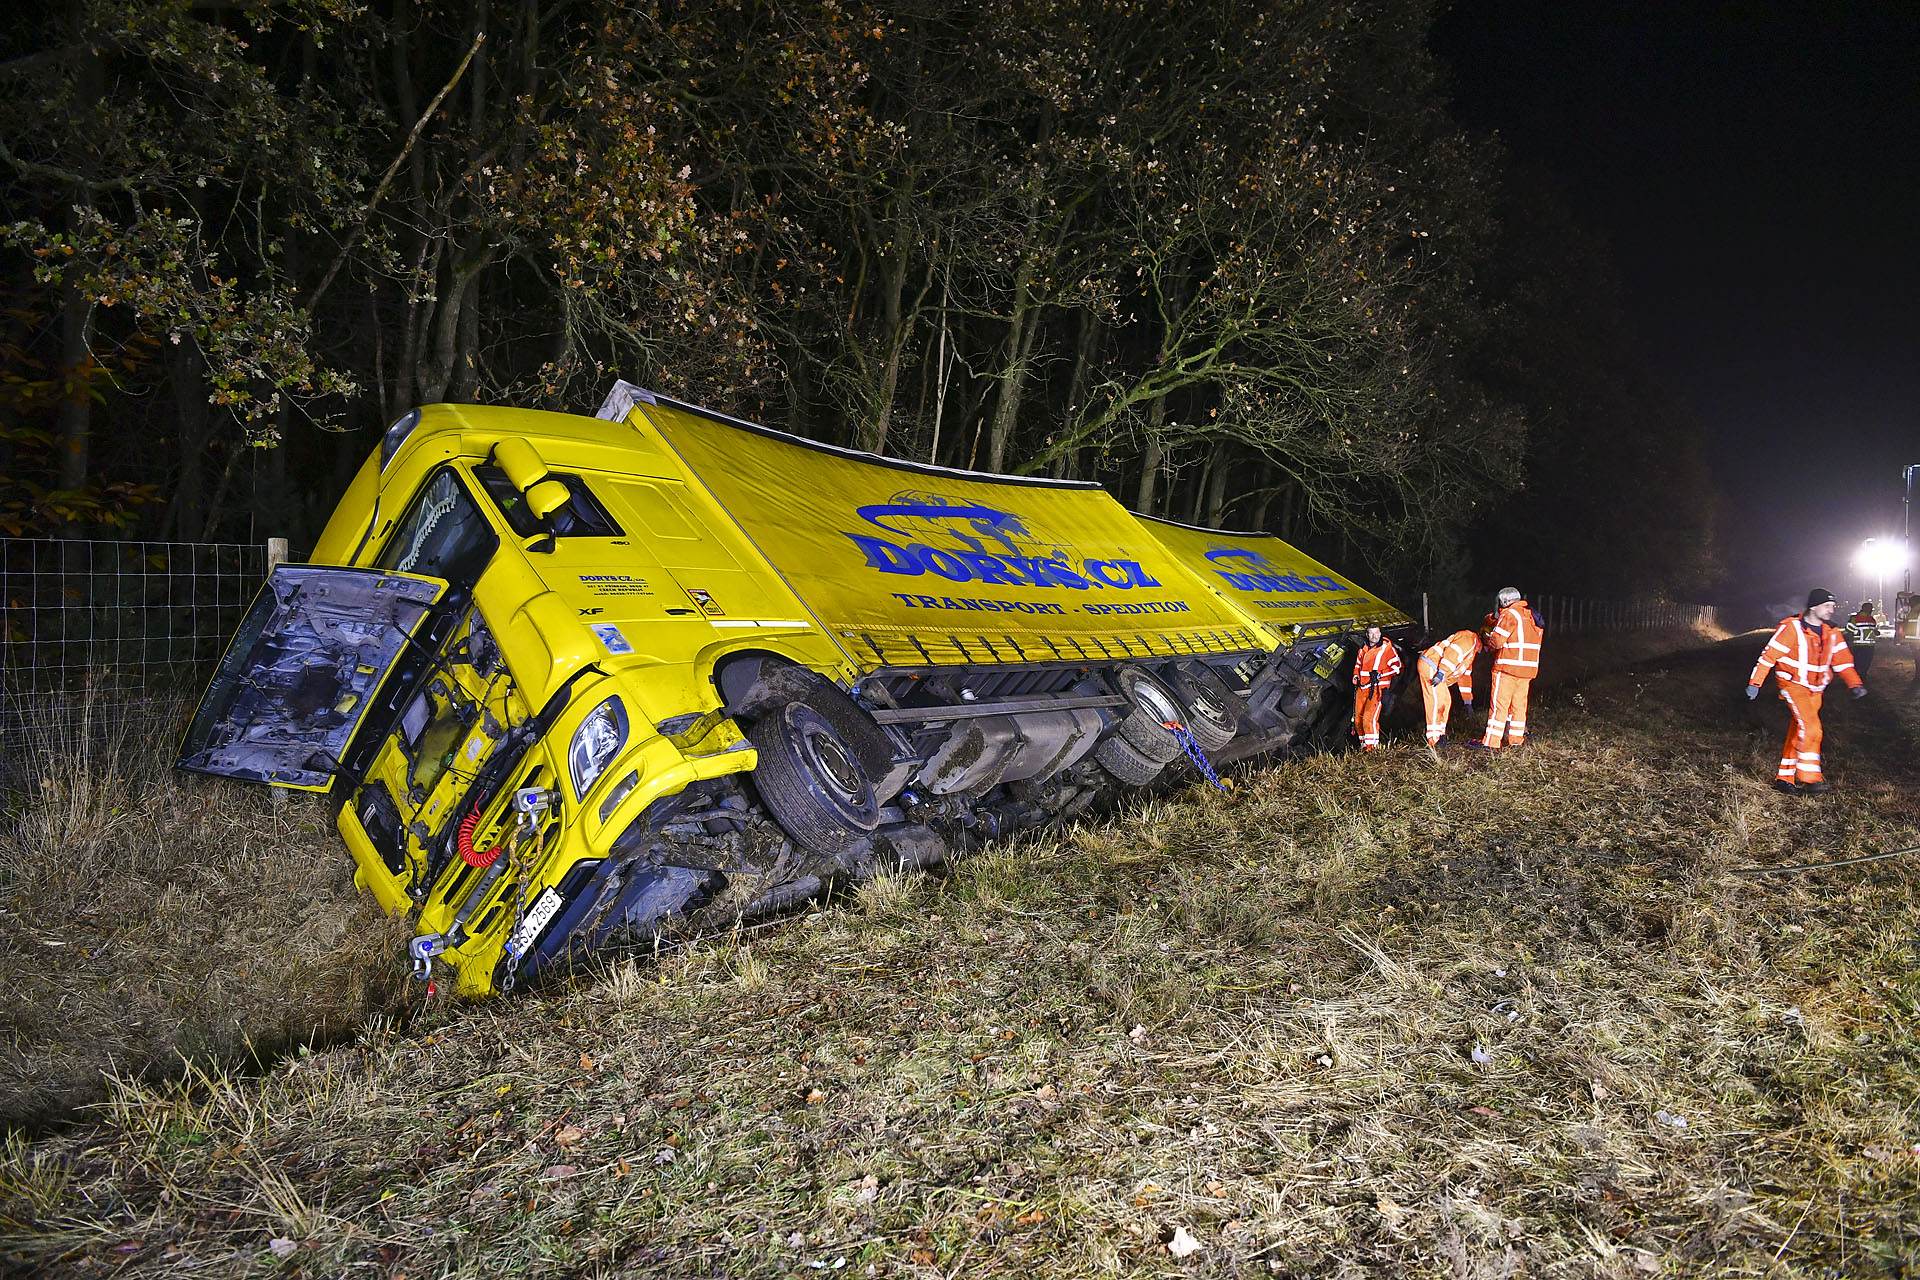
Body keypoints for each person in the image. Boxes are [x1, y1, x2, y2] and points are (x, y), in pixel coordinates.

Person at [1746, 588, 1865, 794]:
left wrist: (1855, 684)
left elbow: (1843, 662)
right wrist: (1755, 683)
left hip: (1815, 690)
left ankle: (1784, 779)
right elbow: (1769, 656)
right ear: (1813, 606)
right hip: (1792, 685)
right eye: (1827, 606)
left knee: (1798, 732)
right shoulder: (1791, 627)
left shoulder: (1832, 632)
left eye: (1833, 606)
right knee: (1811, 729)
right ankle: (1811, 779)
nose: (1831, 610)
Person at [1468, 587, 1544, 752]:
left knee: (1499, 705)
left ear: (1504, 601)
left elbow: (1497, 641)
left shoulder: (1509, 615)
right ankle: (1516, 740)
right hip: (1528, 669)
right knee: (1519, 706)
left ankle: (1491, 742)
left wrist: (1489, 639)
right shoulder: (1532, 616)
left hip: (1507, 668)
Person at [1417, 628, 1479, 747]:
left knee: (1445, 701)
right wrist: (1442, 672)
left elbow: (1464, 677)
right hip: (1432, 665)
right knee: (1436, 703)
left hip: (1436, 668)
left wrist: (1468, 701)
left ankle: (1440, 736)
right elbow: (1453, 652)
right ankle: (1434, 739)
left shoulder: (1471, 652)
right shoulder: (1469, 639)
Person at [1351, 624, 1402, 751]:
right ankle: (1364, 746)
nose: (1374, 636)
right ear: (1367, 635)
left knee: (1369, 718)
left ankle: (1371, 748)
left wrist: (1380, 674)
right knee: (1358, 719)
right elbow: (1358, 665)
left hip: (1378, 689)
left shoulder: (1387, 649)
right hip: (1362, 688)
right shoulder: (1363, 649)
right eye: (1371, 633)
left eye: (1377, 633)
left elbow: (1397, 667)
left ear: (1380, 634)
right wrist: (1356, 675)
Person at [1843, 599, 1878, 676]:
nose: (1871, 610)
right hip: (1860, 645)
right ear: (1864, 608)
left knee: (1866, 663)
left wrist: (1875, 632)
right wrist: (1856, 632)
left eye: (1871, 609)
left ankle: (1862, 675)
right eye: (1870, 609)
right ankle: (1858, 676)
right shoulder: (1856, 618)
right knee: (1859, 663)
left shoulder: (1872, 619)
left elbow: (1872, 629)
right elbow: (1848, 628)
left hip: (1869, 646)